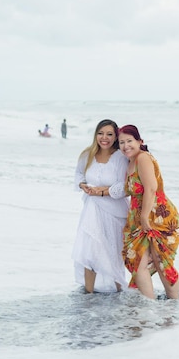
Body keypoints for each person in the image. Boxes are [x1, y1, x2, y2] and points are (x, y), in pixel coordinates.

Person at [118, 125, 179, 299]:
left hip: (160, 219)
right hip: (139, 222)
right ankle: (149, 308)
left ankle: (172, 310)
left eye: (129, 141)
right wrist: (99, 190)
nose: (126, 146)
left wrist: (145, 217)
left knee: (163, 264)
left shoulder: (143, 158)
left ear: (140, 141)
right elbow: (128, 190)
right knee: (137, 262)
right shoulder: (130, 162)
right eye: (121, 142)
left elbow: (151, 188)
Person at [72, 119, 129, 293]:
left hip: (114, 212)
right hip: (91, 209)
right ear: (95, 134)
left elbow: (124, 187)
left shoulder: (120, 158)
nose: (104, 138)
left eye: (110, 134)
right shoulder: (87, 154)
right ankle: (88, 294)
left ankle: (120, 291)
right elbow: (79, 175)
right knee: (90, 250)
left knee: (114, 251)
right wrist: (83, 186)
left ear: (115, 137)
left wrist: (102, 192)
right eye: (100, 133)